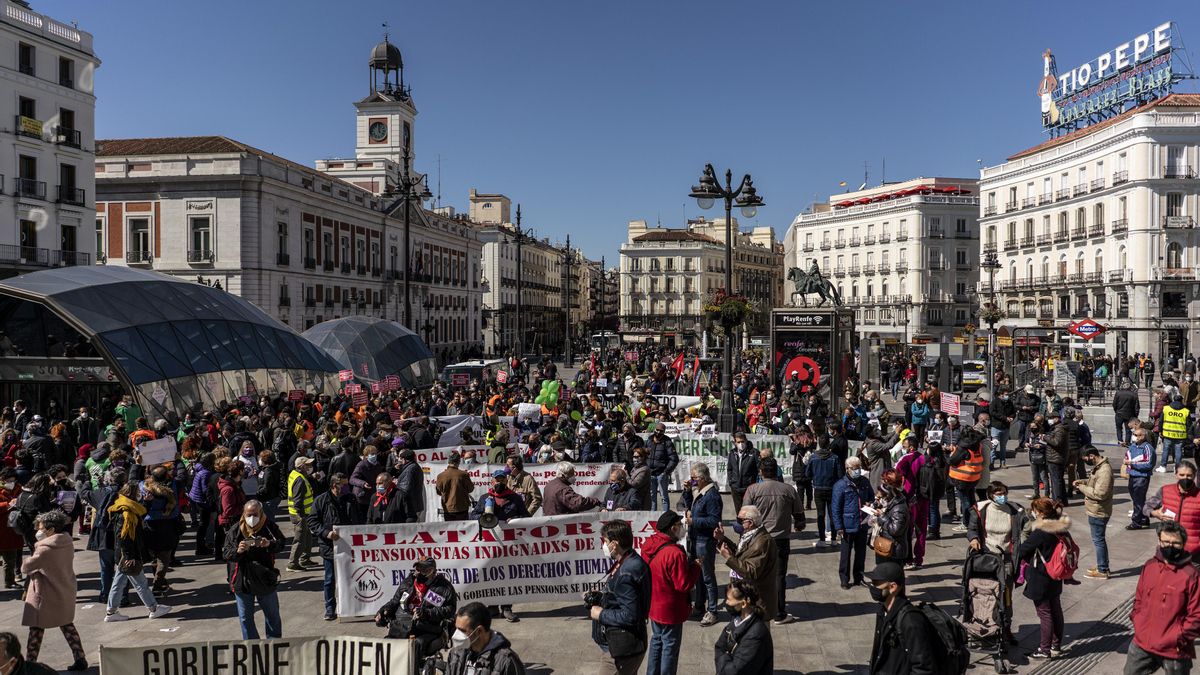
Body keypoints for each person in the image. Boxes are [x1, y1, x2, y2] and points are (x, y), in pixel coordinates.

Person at [1124, 522, 1200, 675]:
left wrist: (1179, 637)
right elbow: (1138, 598)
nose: (1170, 546)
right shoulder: (1149, 566)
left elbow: (1196, 615)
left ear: (1183, 544)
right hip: (1142, 642)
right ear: (1159, 541)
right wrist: (1137, 621)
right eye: (1165, 542)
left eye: (1175, 543)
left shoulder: (1191, 575)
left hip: (1174, 649)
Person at [20, 510, 87, 671]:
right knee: (67, 625)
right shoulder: (67, 542)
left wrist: (28, 560)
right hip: (64, 588)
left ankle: (30, 664)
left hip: (45, 593)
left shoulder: (45, 549)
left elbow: (26, 567)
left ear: (51, 530)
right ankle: (80, 658)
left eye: (42, 528)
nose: (39, 531)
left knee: (36, 628)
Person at [742, 456, 803, 623]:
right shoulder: (789, 489)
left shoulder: (752, 490)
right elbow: (799, 516)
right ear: (776, 471)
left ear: (761, 472)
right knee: (779, 576)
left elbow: (744, 516)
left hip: (757, 540)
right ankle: (779, 613)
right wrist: (798, 525)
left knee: (755, 574)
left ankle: (755, 608)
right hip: (781, 539)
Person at [589, 519, 650, 675]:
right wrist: (604, 595)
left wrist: (600, 613)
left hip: (621, 651)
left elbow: (630, 615)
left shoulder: (626, 572)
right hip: (629, 646)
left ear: (614, 544)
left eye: (606, 541)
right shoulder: (632, 560)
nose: (604, 545)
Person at [104, 482, 171, 623]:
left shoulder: (125, 505)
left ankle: (111, 612)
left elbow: (139, 511)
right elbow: (124, 536)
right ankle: (153, 608)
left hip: (124, 554)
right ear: (134, 494)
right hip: (128, 555)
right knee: (140, 583)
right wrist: (130, 556)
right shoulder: (126, 513)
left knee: (119, 582)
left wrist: (147, 503)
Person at [642, 511, 699, 675]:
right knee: (670, 647)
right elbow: (683, 584)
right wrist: (695, 567)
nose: (682, 528)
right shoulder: (675, 553)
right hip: (671, 610)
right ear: (673, 528)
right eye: (680, 525)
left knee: (657, 642)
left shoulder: (649, 544)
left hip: (654, 605)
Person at [1017, 498, 1072, 659]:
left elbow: (1023, 550)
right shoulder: (1060, 526)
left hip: (1041, 575)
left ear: (1041, 513)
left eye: (1034, 511)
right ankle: (1056, 645)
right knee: (1055, 609)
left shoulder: (1041, 531)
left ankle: (1044, 649)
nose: (1033, 513)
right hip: (1056, 573)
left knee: (1045, 613)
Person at [223, 500, 284, 639]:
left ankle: (273, 645)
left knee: (272, 615)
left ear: (261, 513)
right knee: (245, 618)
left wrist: (269, 544)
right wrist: (238, 551)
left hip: (264, 578)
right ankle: (252, 647)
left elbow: (281, 543)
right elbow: (226, 553)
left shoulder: (269, 527)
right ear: (244, 514)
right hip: (242, 579)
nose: (251, 518)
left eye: (255, 514)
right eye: (248, 514)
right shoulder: (235, 530)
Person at [375, 557, 458, 660]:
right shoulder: (408, 583)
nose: (418, 572)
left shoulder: (444, 588)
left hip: (426, 630)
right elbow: (394, 601)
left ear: (431, 571)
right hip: (401, 627)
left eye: (423, 569)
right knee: (385, 646)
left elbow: (450, 610)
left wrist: (427, 613)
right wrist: (382, 611)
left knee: (415, 648)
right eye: (417, 568)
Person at [866, 561, 937, 674]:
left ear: (893, 587)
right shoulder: (882, 611)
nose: (872, 587)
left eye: (876, 583)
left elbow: (923, 668)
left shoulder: (911, 620)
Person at [714, 505, 778, 620]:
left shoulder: (762, 542)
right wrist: (722, 539)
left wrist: (728, 557)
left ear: (750, 522)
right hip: (747, 596)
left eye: (740, 520)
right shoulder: (750, 533)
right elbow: (742, 553)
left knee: (756, 634)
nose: (737, 523)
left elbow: (751, 571)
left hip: (757, 601)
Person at [305, 472, 355, 621]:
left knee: (351, 576)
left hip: (350, 546)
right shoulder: (321, 500)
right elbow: (312, 522)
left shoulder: (350, 498)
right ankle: (330, 608)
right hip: (329, 546)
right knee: (330, 579)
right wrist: (326, 533)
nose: (347, 487)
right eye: (344, 485)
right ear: (335, 486)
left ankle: (351, 606)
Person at [681, 462, 722, 626]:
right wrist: (686, 492)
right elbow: (689, 504)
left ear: (703, 478)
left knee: (707, 577)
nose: (691, 481)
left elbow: (714, 520)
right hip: (695, 538)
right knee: (697, 575)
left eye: (694, 478)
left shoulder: (712, 495)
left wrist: (693, 521)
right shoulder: (699, 491)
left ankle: (712, 610)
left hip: (705, 541)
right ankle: (699, 606)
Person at [445, 602, 526, 675]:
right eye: (456, 629)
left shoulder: (506, 661)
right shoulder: (456, 653)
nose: (456, 634)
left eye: (462, 630)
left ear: (479, 631)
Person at [713, 580, 773, 675]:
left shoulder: (756, 634)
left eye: (729, 599)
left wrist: (724, 658)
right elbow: (719, 646)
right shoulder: (736, 620)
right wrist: (727, 659)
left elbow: (735, 670)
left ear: (743, 604)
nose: (726, 603)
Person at [832, 456, 874, 589]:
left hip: (862, 523)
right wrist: (838, 526)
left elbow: (871, 497)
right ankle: (844, 579)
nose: (857, 471)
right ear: (847, 469)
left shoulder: (865, 482)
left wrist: (870, 503)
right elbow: (835, 508)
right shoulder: (840, 485)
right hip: (847, 525)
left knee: (861, 553)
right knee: (846, 554)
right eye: (854, 468)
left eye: (858, 468)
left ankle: (859, 577)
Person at [1074, 446, 1114, 579]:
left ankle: (1103, 570)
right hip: (1096, 509)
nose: (1085, 461)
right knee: (1099, 540)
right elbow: (1094, 483)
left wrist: (1081, 487)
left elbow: (1100, 493)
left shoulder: (1104, 471)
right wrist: (1083, 482)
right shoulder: (1099, 467)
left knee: (1098, 540)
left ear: (1092, 455)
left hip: (1098, 511)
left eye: (1085, 459)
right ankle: (1103, 565)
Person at [806, 436, 841, 547]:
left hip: (818, 489)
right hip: (832, 489)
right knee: (833, 514)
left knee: (820, 515)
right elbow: (840, 474)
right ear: (828, 444)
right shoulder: (835, 457)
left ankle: (822, 540)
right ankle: (834, 539)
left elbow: (807, 474)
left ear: (819, 444)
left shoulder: (813, 457)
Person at [870, 471, 910, 565]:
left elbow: (895, 530)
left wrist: (882, 517)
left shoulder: (899, 507)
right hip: (886, 547)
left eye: (884, 483)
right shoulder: (891, 501)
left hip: (893, 550)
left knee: (891, 577)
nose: (881, 486)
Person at [286, 457, 316, 572]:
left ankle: (305, 559)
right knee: (300, 539)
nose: (309, 467)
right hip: (300, 514)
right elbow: (297, 500)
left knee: (307, 537)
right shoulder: (300, 480)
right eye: (307, 464)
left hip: (303, 513)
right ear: (301, 466)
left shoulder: (295, 474)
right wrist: (302, 515)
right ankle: (292, 563)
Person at [1125, 428, 1156, 531]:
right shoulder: (1133, 446)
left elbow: (1148, 464)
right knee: (1137, 499)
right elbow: (1128, 457)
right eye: (1134, 434)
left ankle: (1136, 522)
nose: (1135, 437)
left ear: (1143, 436)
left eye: (1138, 435)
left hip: (1142, 477)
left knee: (1138, 499)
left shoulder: (1148, 448)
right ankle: (1144, 517)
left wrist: (1132, 464)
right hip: (1132, 475)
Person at [645, 423, 679, 511]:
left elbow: (674, 459)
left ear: (664, 432)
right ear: (654, 429)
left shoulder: (667, 442)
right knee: (652, 496)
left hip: (661, 474)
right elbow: (644, 454)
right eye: (657, 430)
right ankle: (653, 516)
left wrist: (666, 472)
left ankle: (665, 516)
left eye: (661, 431)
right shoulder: (649, 440)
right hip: (651, 473)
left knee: (664, 497)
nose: (658, 432)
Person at [435, 452, 475, 521]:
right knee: (463, 530)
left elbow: (438, 492)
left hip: (448, 508)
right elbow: (470, 489)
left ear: (448, 461)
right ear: (459, 461)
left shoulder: (441, 476)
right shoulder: (464, 474)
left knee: (451, 530)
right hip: (462, 508)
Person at [1158, 395, 1190, 473]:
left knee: (1166, 450)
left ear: (1173, 400)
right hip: (1180, 435)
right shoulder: (1186, 411)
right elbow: (1188, 424)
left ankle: (1163, 467)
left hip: (1168, 433)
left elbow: (1161, 421)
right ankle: (1177, 468)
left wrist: (1160, 431)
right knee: (1178, 451)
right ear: (1181, 400)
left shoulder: (1166, 409)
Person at [726, 432, 758, 512]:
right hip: (735, 487)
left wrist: (753, 483)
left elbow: (758, 470)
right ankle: (740, 524)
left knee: (748, 512)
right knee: (739, 512)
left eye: (742, 441)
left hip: (748, 488)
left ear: (746, 441)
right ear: (735, 443)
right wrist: (731, 482)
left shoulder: (753, 453)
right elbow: (729, 469)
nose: (741, 444)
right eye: (738, 442)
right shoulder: (732, 453)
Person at [1113, 380, 1141, 446]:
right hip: (1130, 415)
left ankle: (1120, 441)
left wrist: (1116, 411)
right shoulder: (1134, 395)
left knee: (1119, 428)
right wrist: (1135, 416)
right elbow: (1137, 407)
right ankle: (1127, 442)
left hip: (1119, 414)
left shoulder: (1118, 393)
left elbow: (1114, 404)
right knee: (1128, 429)